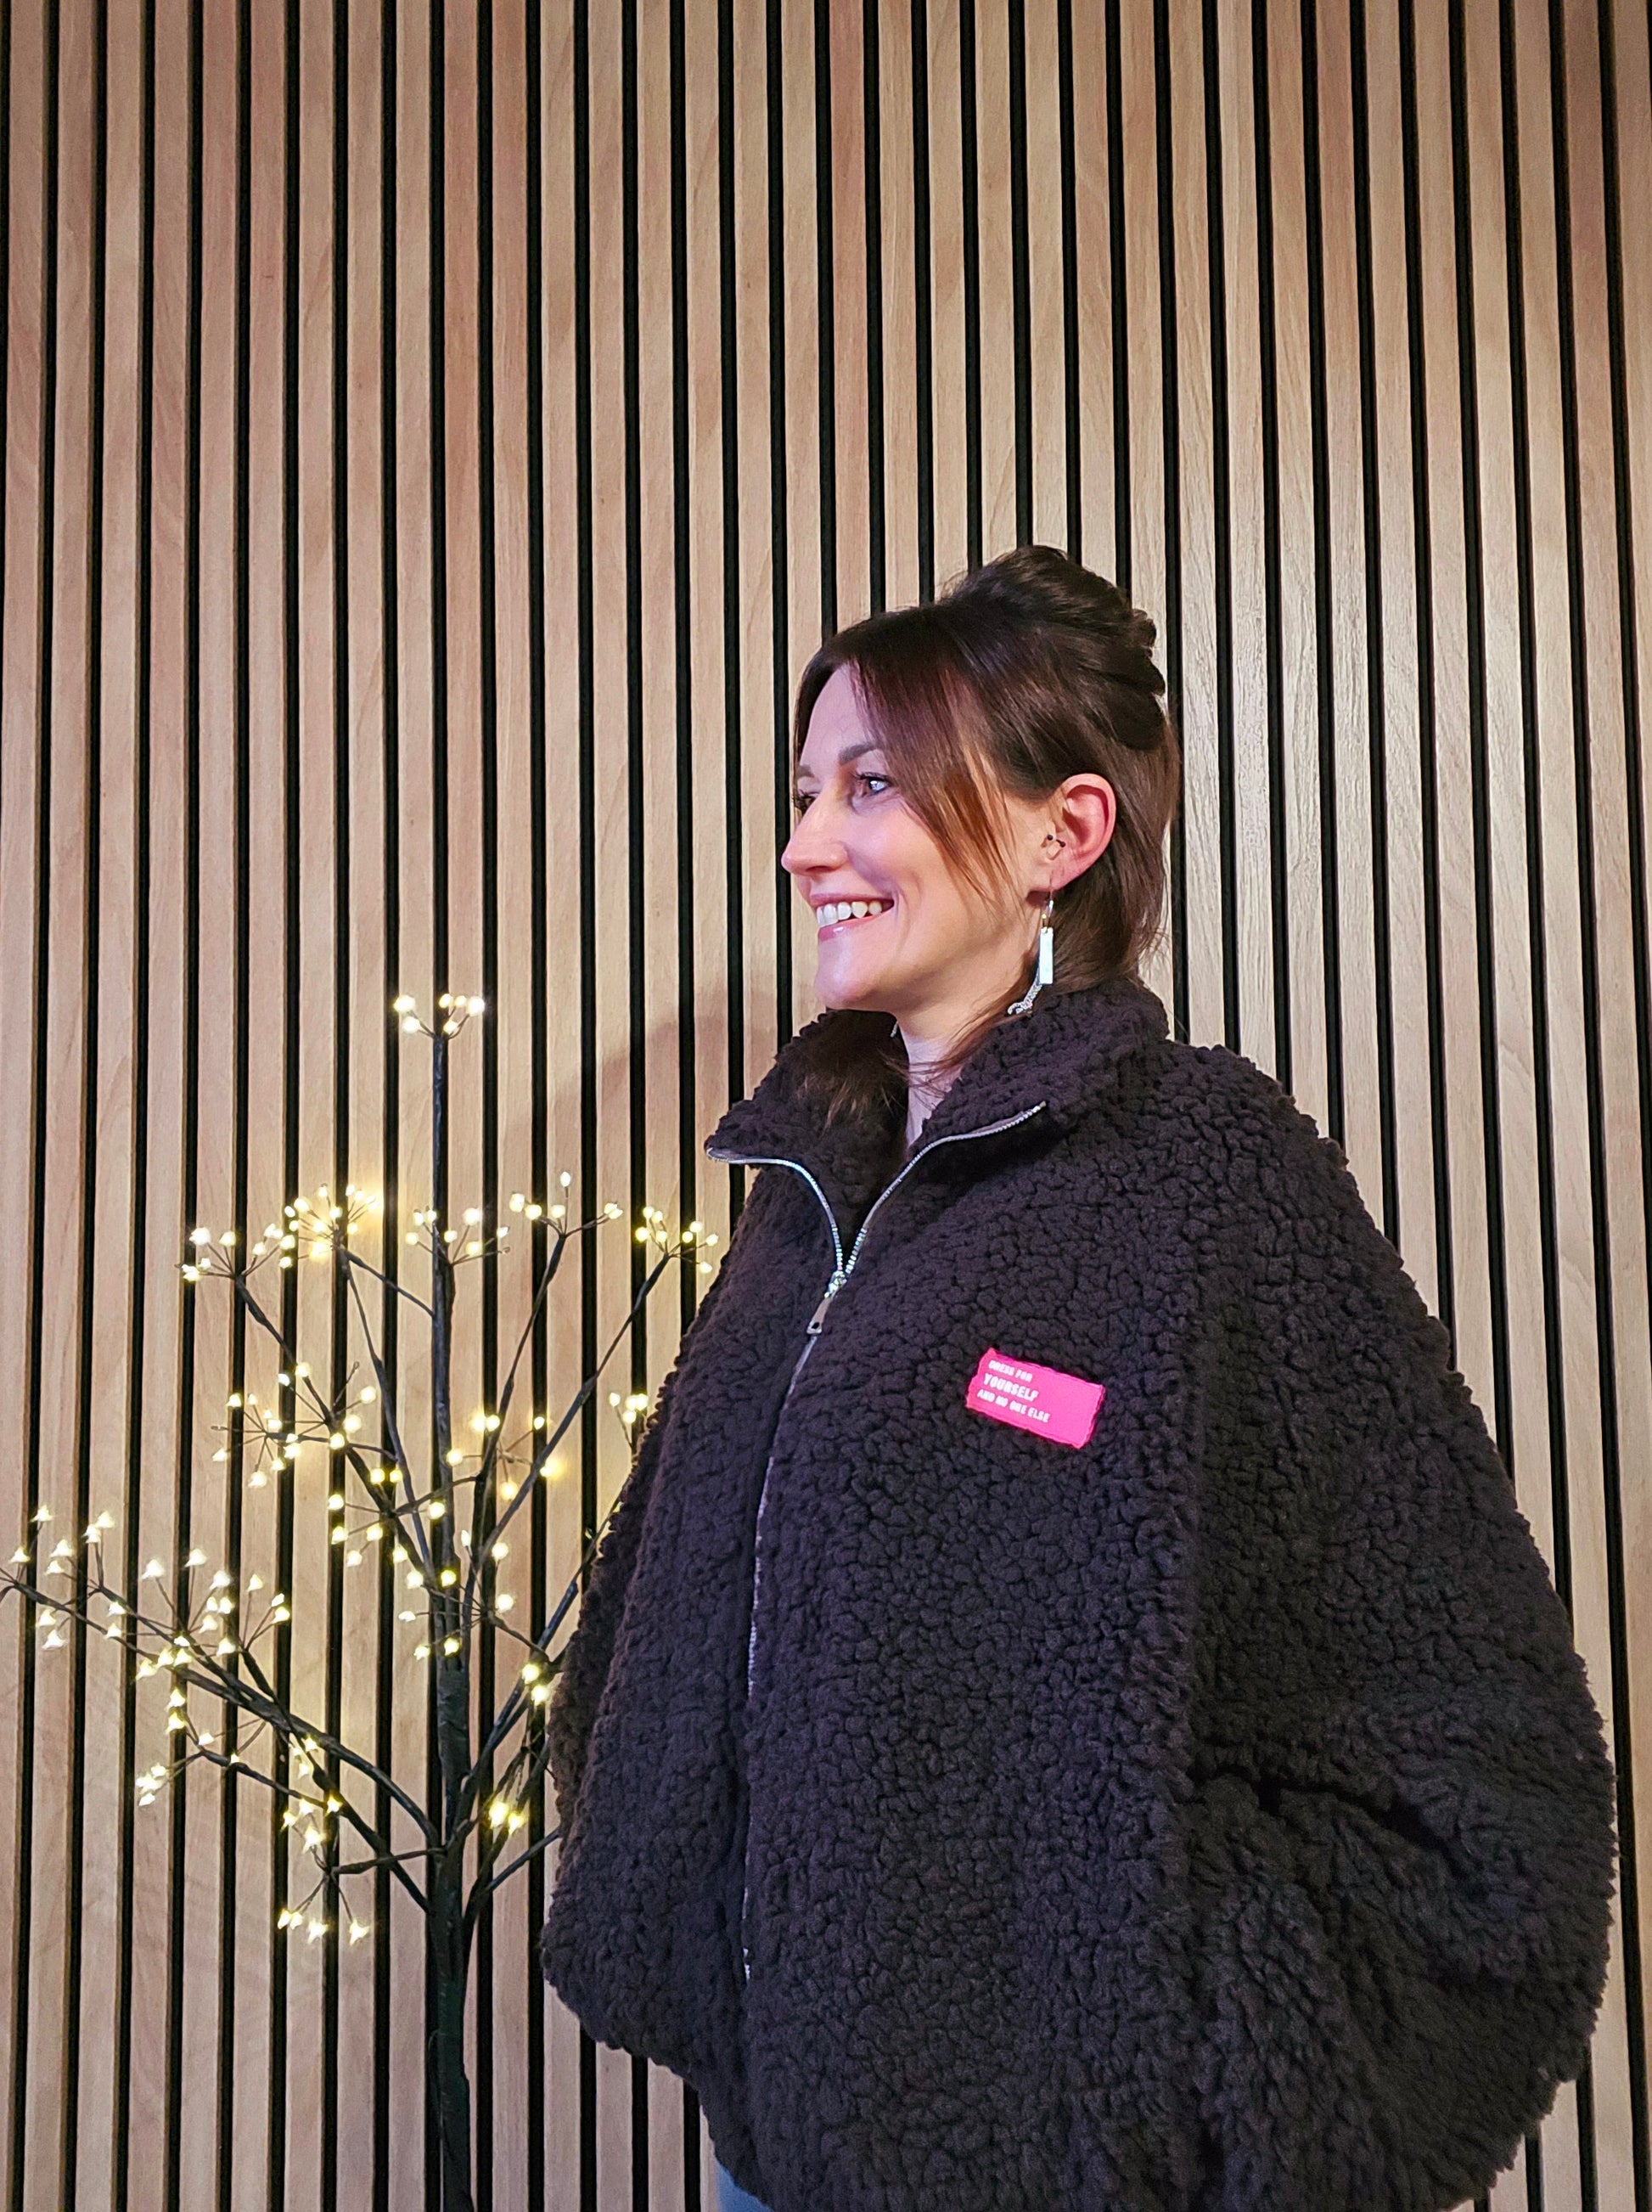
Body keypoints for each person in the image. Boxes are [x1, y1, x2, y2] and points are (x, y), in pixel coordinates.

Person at [540, 547, 1617, 2212]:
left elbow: (1479, 1752)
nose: (804, 844)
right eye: (806, 792)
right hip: (778, 2153)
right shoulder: (807, 1194)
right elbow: (668, 1623)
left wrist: (1153, 2056)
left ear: (1064, 833)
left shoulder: (1198, 1177)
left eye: (871, 786)